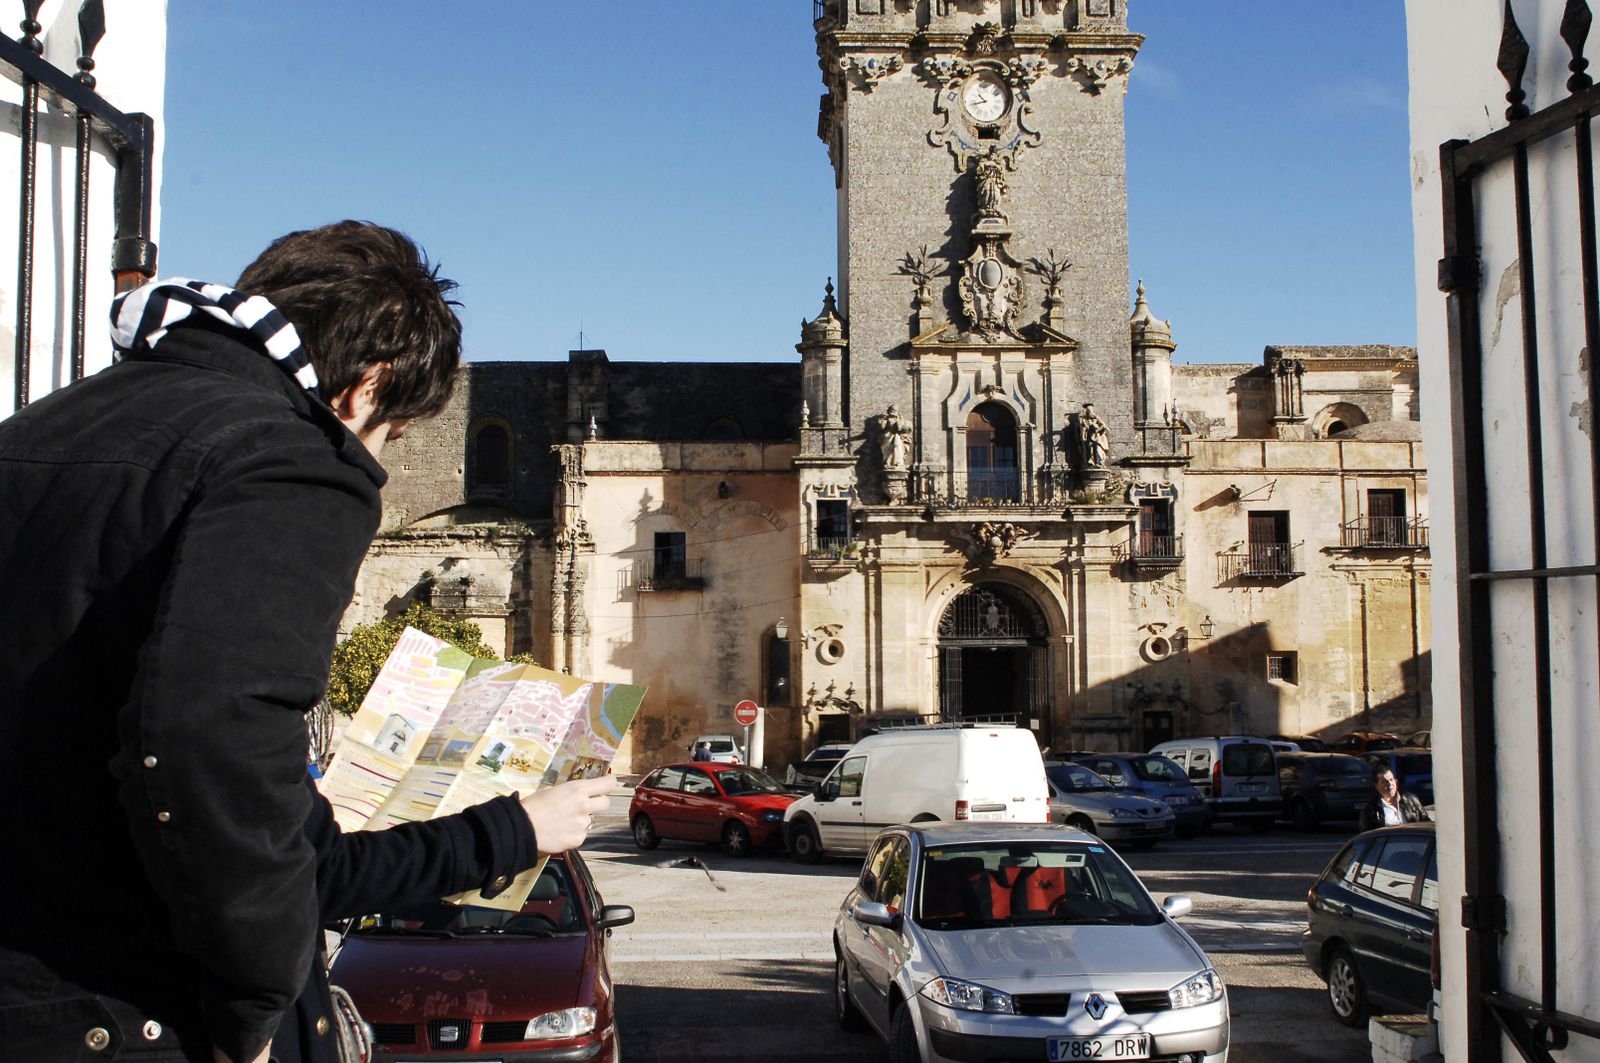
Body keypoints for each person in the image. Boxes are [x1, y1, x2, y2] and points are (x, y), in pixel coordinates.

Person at [0, 221, 615, 1063]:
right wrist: (254, 1004)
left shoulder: (40, 427)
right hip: (138, 1013)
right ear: (370, 386)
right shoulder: (290, 455)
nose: (379, 459)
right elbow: (205, 741)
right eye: (393, 434)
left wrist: (510, 829)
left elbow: (277, 838)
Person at [1358, 767, 1430, 832]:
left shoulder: (1411, 799)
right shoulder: (1371, 810)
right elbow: (1367, 836)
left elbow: (1427, 823)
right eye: (1385, 782)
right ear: (1376, 786)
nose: (1390, 784)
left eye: (1391, 780)